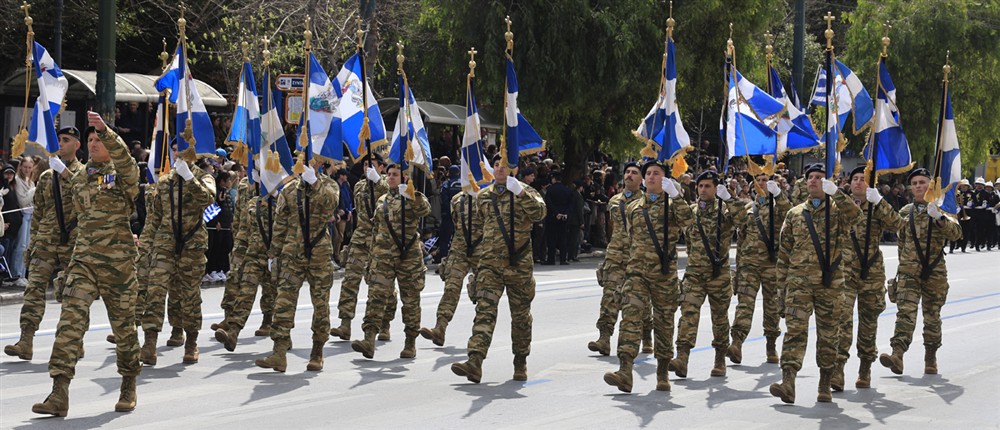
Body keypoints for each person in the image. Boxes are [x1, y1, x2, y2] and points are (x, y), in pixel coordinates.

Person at [32, 111, 142, 416]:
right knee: (69, 324)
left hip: (118, 265)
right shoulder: (82, 176)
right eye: (91, 139)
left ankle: (128, 383)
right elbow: (68, 195)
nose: (94, 143)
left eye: (98, 140)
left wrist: (107, 131)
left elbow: (124, 162)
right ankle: (59, 392)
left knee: (124, 329)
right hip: (83, 262)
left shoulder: (123, 176)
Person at [769, 163, 862, 404]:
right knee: (794, 333)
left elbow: (857, 217)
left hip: (829, 283)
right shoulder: (795, 213)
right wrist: (782, 289)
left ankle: (825, 382)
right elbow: (784, 254)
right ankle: (788, 382)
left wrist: (838, 194)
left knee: (829, 334)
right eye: (810, 177)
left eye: (819, 177)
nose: (813, 181)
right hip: (798, 285)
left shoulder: (838, 211)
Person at [451, 154, 546, 383]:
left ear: (512, 169)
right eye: (496, 165)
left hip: (518, 265)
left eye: (504, 165)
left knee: (521, 316)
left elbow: (540, 214)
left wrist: (521, 194)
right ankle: (475, 361)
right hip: (490, 265)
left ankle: (520, 360)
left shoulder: (525, 191)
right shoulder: (483, 196)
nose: (500, 169)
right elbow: (480, 226)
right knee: (484, 311)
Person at [603, 160, 693, 393]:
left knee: (664, 323)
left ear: (665, 179)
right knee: (630, 317)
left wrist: (677, 197)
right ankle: (625, 370)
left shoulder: (673, 206)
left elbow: (690, 226)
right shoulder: (634, 208)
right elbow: (629, 239)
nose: (652, 177)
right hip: (637, 274)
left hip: (664, 275)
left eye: (657, 174)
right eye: (649, 174)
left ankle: (662, 372)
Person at [4, 127, 85, 361]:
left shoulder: (85, 174)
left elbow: (88, 202)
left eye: (66, 140)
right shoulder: (48, 176)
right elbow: (39, 212)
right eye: (59, 139)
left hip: (73, 241)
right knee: (34, 289)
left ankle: (75, 340)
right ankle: (26, 340)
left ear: (77, 145)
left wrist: (67, 176)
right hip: (46, 241)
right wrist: (33, 242)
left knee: (72, 294)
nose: (61, 143)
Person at [256, 160, 339, 372]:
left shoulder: (328, 185)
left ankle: (317, 351)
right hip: (292, 255)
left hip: (318, 254)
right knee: (283, 302)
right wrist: (273, 254)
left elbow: (330, 204)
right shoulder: (290, 189)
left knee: (320, 304)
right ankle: (279, 352)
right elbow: (280, 224)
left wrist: (314, 183)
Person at [879, 168, 962, 376]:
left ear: (930, 185)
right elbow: (902, 242)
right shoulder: (906, 212)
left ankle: (930, 356)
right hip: (909, 271)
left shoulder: (943, 208)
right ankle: (897, 354)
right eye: (914, 183)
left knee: (932, 315)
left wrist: (940, 219)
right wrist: (902, 268)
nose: (918, 186)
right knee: (905, 313)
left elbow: (956, 234)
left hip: (934, 270)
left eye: (922, 182)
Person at [139, 153, 217, 366]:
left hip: (192, 244)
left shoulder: (204, 177)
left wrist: (189, 178)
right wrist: (145, 247)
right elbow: (155, 217)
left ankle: (191, 341)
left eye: (185, 152)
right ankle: (149, 343)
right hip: (165, 243)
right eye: (177, 151)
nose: (181, 156)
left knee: (189, 294)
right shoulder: (165, 182)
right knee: (155, 290)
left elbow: (208, 200)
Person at [832, 166, 903, 390]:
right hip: (844, 271)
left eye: (863, 179)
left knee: (868, 324)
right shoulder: (838, 205)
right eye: (855, 179)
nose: (859, 182)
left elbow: (897, 225)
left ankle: (865, 368)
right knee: (842, 321)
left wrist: (880, 201)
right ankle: (838, 369)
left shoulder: (876, 205)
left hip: (870, 272)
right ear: (849, 183)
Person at [351, 164, 431, 359]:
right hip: (383, 257)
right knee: (376, 297)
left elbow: (425, 210)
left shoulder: (413, 197)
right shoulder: (381, 200)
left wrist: (411, 195)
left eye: (396, 175)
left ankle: (410, 341)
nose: (392, 178)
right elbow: (376, 230)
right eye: (389, 175)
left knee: (410, 300)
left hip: (408, 258)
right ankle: (369, 339)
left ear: (404, 177)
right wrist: (371, 259)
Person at [670, 170, 737, 378]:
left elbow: (744, 220)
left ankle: (719, 359)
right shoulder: (692, 211)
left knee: (719, 318)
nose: (703, 190)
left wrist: (731, 199)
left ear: (716, 189)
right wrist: (674, 195)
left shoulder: (725, 212)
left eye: (708, 186)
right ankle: (682, 357)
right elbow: (675, 216)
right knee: (688, 313)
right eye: (700, 186)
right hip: (695, 274)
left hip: (719, 275)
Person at [329, 154, 397, 342]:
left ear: (381, 167)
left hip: (381, 239)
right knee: (350, 280)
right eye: (365, 164)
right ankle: (345, 324)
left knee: (383, 285)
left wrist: (378, 182)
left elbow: (394, 198)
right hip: (361, 238)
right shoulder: (359, 186)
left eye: (372, 164)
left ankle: (384, 323)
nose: (367, 167)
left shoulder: (389, 182)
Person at [588, 162, 650, 356]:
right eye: (627, 172)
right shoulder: (614, 201)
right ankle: (604, 338)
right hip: (615, 256)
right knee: (609, 297)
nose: (630, 176)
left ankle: (647, 334)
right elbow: (611, 227)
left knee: (639, 300)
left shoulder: (649, 201)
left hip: (638, 257)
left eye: (634, 173)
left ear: (642, 179)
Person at [728, 172, 789, 366]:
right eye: (759, 180)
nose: (762, 183)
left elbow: (789, 214)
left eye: (766, 181)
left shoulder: (781, 207)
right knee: (744, 304)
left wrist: (778, 195)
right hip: (749, 265)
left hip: (772, 264)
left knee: (771, 306)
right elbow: (741, 239)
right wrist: (737, 269)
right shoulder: (748, 208)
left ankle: (771, 345)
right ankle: (737, 342)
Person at [420, 182, 483, 347]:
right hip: (460, 250)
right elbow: (457, 224)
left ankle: (480, 338)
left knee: (484, 294)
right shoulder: (456, 200)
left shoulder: (487, 199)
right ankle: (439, 329)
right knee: (451, 288)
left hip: (482, 250)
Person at [10, 156, 36, 286]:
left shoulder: (30, 181)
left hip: (31, 215)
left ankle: (23, 273)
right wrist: (33, 191)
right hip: (22, 215)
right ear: (20, 167)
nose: (27, 170)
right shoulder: (18, 180)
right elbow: (22, 201)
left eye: (29, 167)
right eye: (25, 167)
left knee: (27, 247)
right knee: (20, 246)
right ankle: (16, 274)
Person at [542, 171, 572, 265]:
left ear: (554, 179)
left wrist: (556, 213)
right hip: (564, 217)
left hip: (552, 217)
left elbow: (548, 203)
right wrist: (565, 213)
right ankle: (563, 259)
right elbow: (571, 204)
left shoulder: (550, 190)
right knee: (563, 238)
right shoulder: (567, 190)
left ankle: (551, 259)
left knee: (551, 238)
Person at [1, 163, 23, 280]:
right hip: (6, 226)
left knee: (10, 251)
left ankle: (8, 275)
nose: (9, 176)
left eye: (11, 173)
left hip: (15, 226)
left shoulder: (12, 187)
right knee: (5, 251)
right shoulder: (2, 188)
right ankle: (4, 275)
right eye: (6, 173)